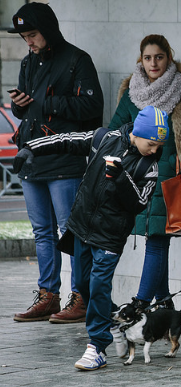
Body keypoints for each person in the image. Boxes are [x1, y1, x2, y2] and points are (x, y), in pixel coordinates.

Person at [13, 106, 169, 371]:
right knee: (83, 284)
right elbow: (66, 140)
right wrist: (31, 147)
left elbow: (139, 203)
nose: (155, 150)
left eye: (159, 145)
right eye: (151, 143)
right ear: (137, 134)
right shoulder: (104, 138)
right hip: (81, 227)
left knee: (98, 285)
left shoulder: (148, 166)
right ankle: (113, 318)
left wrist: (121, 178)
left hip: (110, 237)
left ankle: (97, 347)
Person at [8, 2, 104, 324]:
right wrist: (18, 106)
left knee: (71, 230)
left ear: (47, 30)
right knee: (41, 232)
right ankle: (48, 296)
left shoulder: (78, 60)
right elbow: (27, 109)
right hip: (32, 158)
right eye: (24, 37)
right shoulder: (28, 62)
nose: (29, 42)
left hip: (65, 159)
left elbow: (92, 106)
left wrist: (44, 102)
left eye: (32, 35)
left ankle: (80, 297)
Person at [108, 34, 181, 313]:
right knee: (156, 240)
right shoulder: (132, 93)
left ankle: (141, 303)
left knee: (156, 240)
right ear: (140, 60)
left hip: (169, 178)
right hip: (138, 177)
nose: (153, 63)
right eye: (147, 57)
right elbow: (114, 131)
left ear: (169, 57)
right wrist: (128, 150)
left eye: (159, 57)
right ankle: (165, 305)